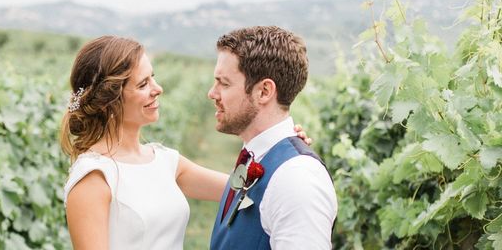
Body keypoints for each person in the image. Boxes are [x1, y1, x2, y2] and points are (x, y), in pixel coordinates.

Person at [61, 35, 312, 249]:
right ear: (110, 99)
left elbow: (249, 189)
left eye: (153, 77)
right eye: (143, 84)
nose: (157, 88)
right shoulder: (94, 177)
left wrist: (282, 148)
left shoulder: (165, 161)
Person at [208, 25, 337, 249]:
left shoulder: (297, 179)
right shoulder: (256, 155)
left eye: (224, 83)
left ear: (264, 91)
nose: (212, 93)